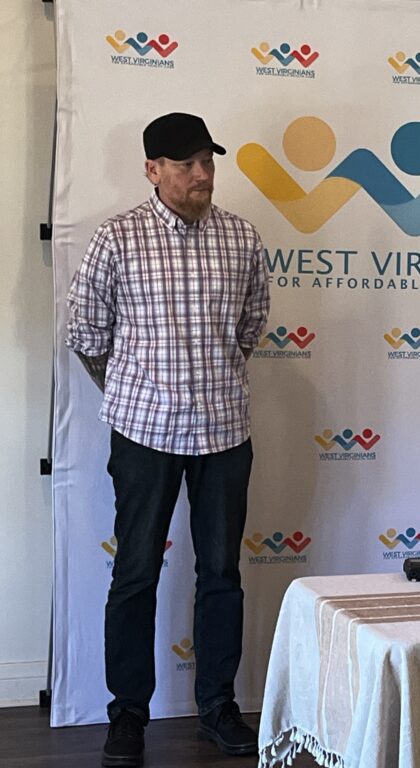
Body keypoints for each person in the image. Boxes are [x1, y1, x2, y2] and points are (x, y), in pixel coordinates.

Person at [65, 112, 270, 767]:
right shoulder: (117, 239)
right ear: (152, 170)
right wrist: (134, 394)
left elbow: (251, 323)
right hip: (145, 437)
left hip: (223, 435)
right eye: (185, 164)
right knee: (133, 576)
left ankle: (217, 708)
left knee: (222, 577)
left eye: (208, 160)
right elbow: (86, 333)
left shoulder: (241, 238)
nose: (202, 173)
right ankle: (127, 715)